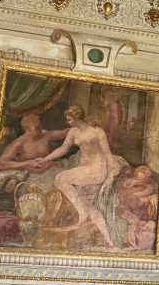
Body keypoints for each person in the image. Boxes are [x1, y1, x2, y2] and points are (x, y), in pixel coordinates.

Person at [32, 105, 120, 247]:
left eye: (69, 119)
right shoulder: (73, 132)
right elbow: (62, 149)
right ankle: (109, 240)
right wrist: (44, 159)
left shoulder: (97, 131)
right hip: (84, 169)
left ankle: (82, 213)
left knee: (60, 178)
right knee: (89, 205)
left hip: (97, 169)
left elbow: (108, 155)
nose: (67, 122)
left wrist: (110, 176)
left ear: (77, 118)